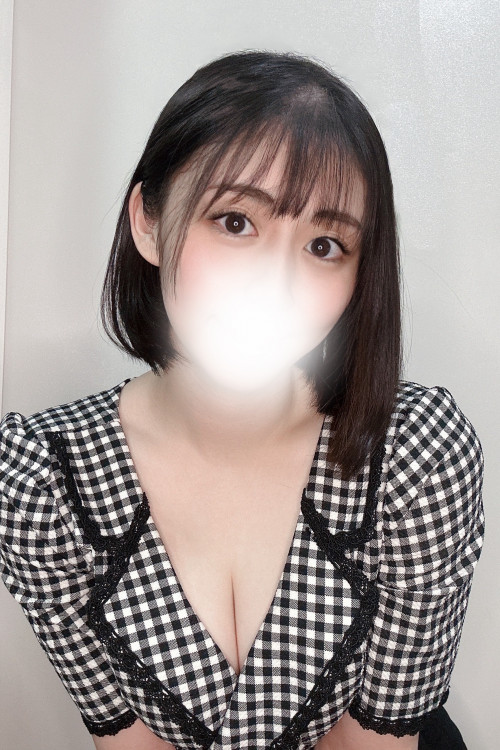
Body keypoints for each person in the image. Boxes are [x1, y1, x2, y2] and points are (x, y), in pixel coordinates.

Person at [0, 50, 485, 750]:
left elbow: (376, 743)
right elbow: (128, 741)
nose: (275, 285)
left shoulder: (416, 456)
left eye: (325, 245)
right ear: (148, 222)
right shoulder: (40, 483)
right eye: (234, 222)